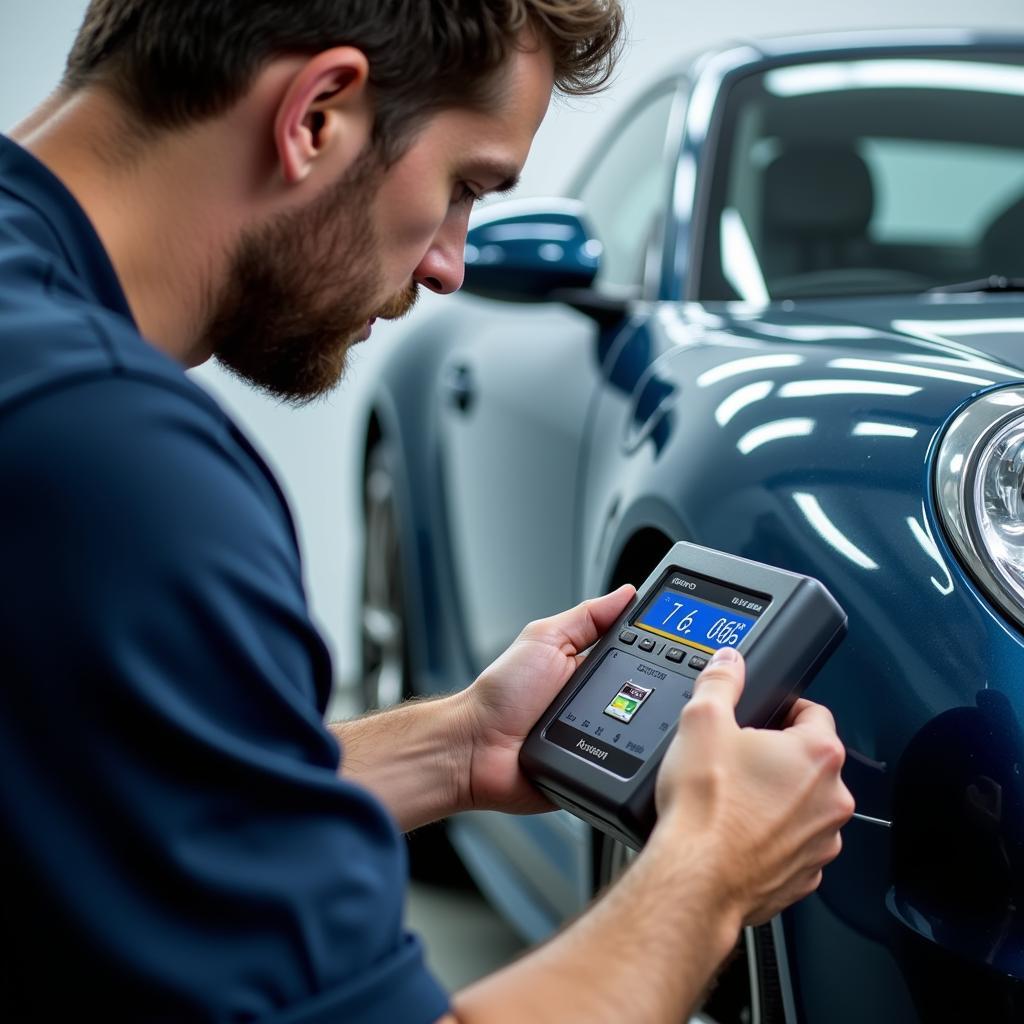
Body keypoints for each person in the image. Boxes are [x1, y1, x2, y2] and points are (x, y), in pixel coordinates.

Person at [0, 2, 855, 1021]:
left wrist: (457, 746)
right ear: (318, 114)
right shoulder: (117, 464)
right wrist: (709, 872)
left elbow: (117, 792)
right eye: (463, 187)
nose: (451, 264)